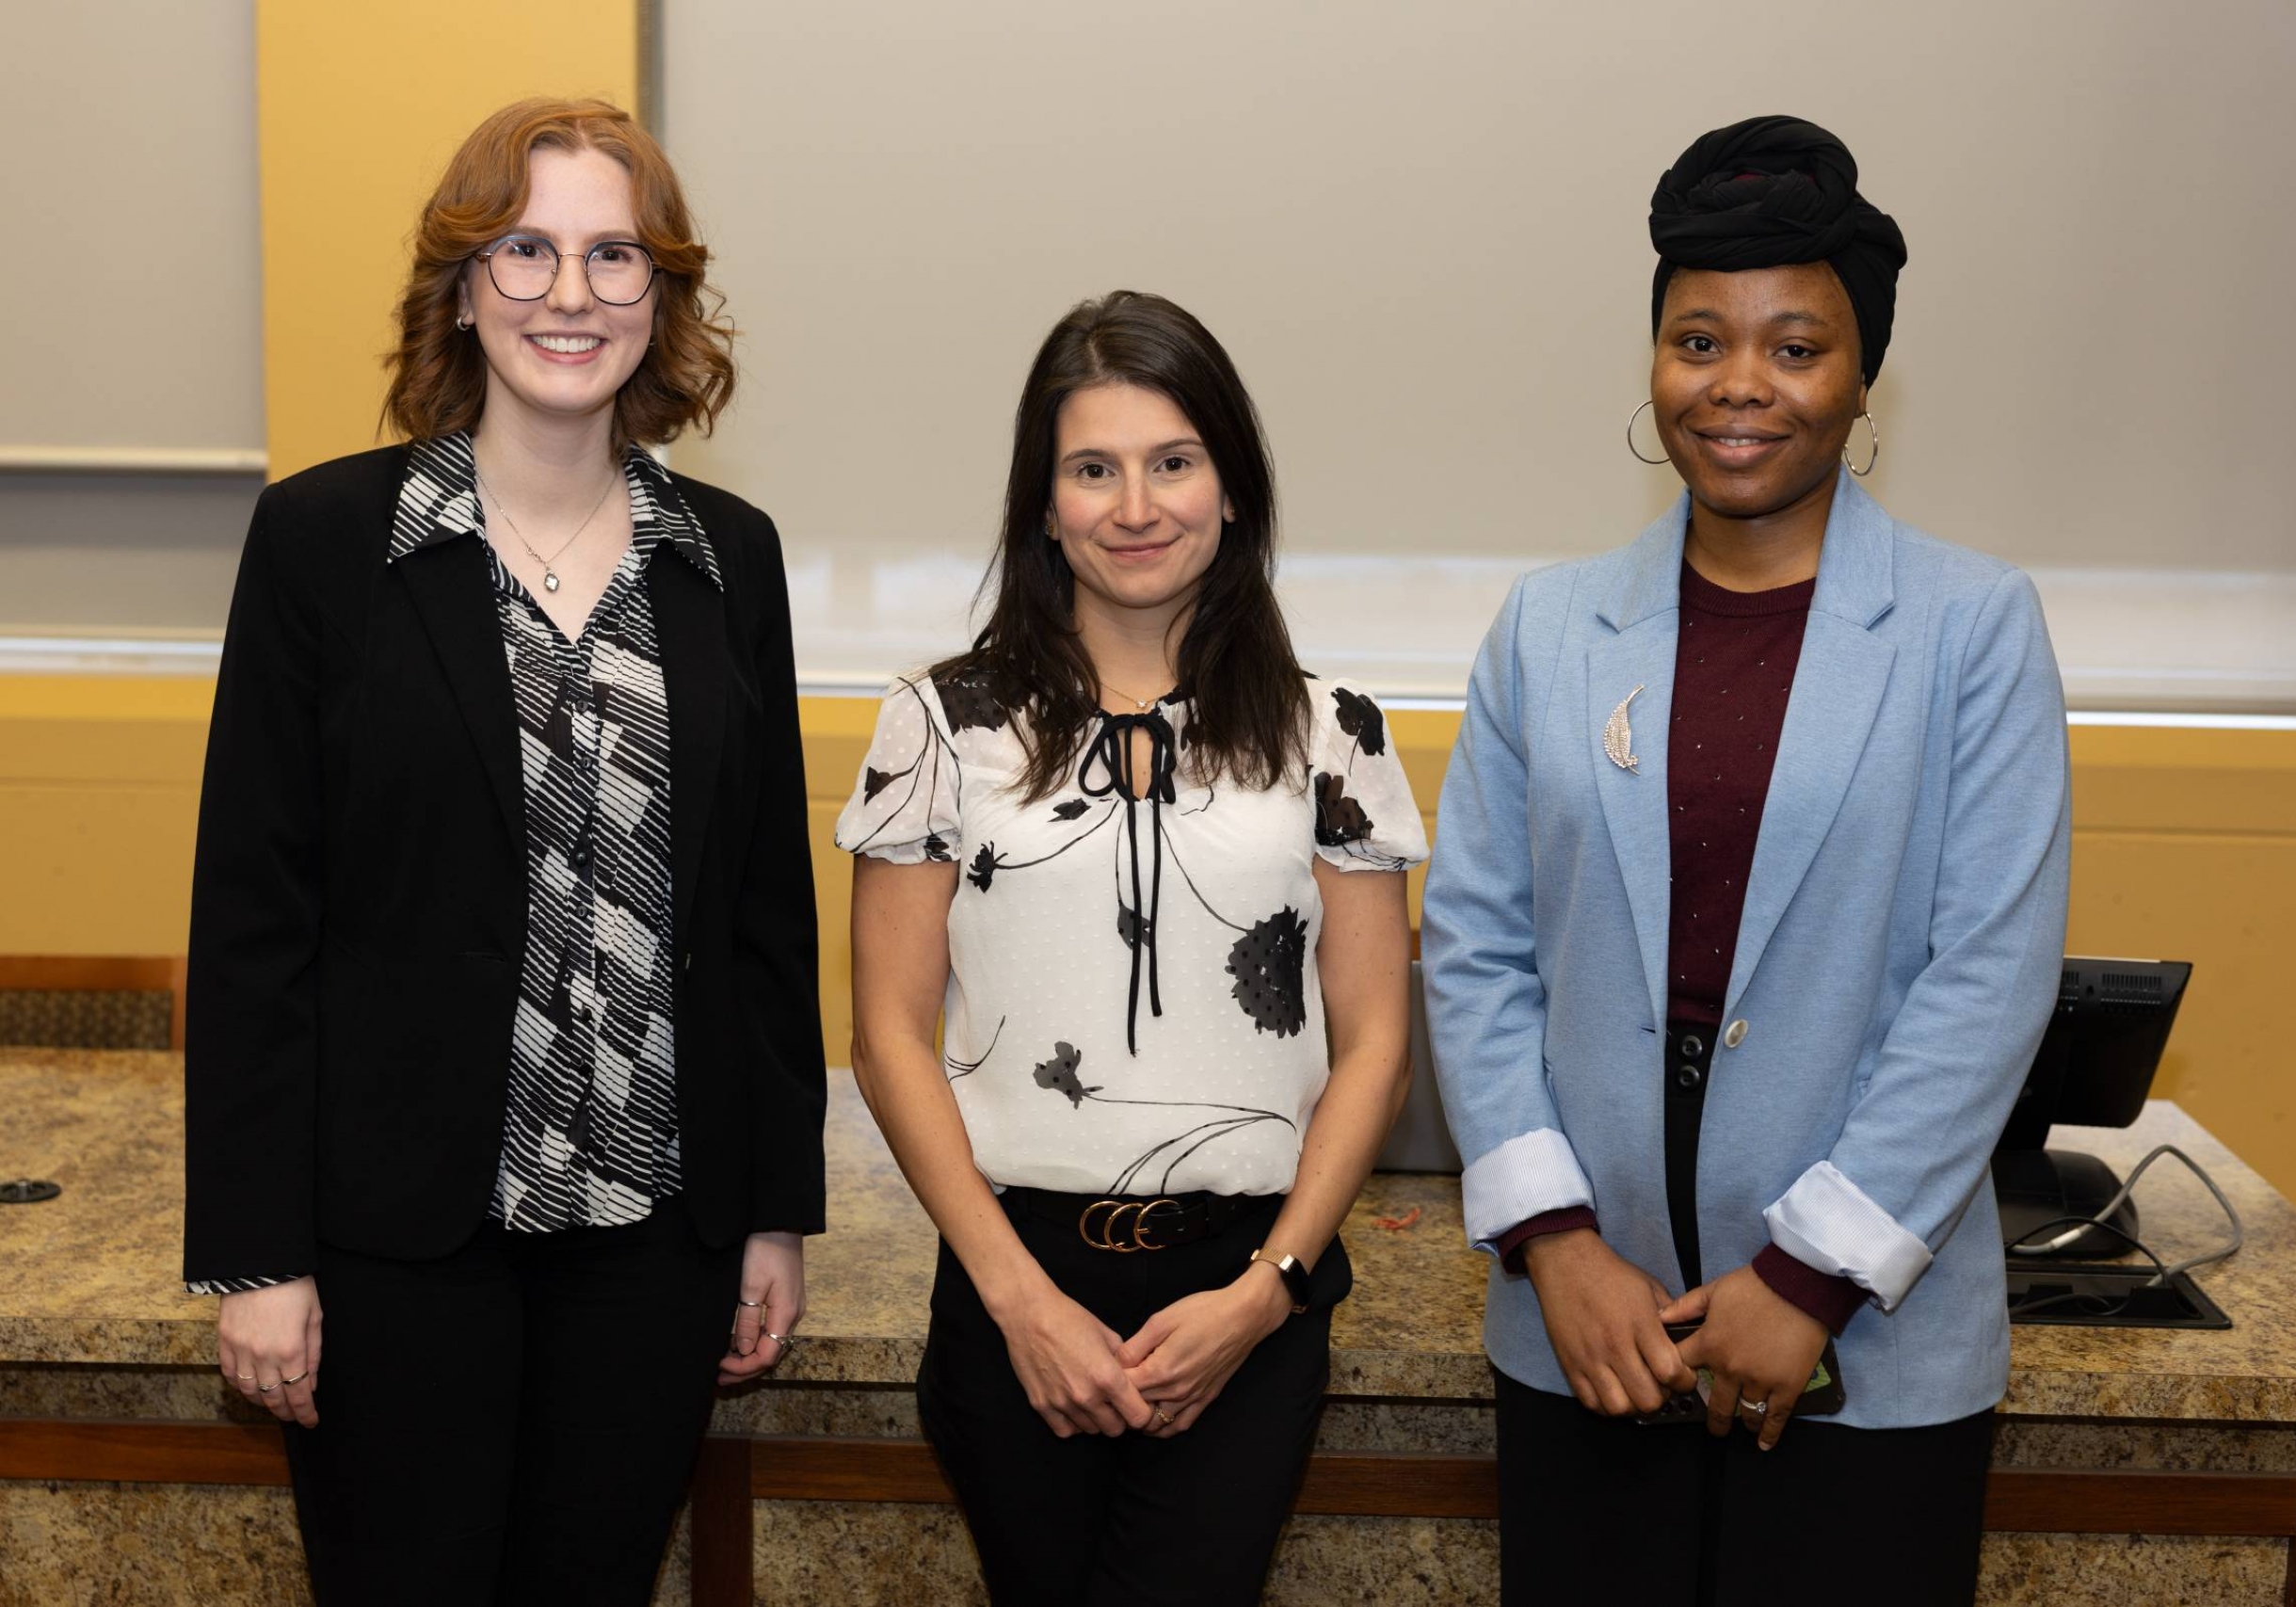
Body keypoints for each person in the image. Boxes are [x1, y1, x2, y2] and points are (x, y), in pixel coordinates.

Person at [182, 97, 826, 1603]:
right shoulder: (324, 544)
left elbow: (761, 917)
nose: (568, 294)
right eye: (524, 249)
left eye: (614, 256)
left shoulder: (731, 557)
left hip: (653, 1238)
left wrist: (773, 1208)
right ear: (461, 284)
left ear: (660, 295)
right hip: (395, 1244)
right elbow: (253, 918)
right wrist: (256, 1255)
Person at [1421, 115, 2071, 1605]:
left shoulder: (1973, 630)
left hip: (1868, 1353)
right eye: (1699, 340)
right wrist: (1556, 1246)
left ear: (1859, 379)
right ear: (1653, 367)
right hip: (1594, 1337)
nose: (1740, 387)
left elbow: (1988, 977)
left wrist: (1807, 1280)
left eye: (1796, 347)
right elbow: (1475, 946)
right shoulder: (1547, 627)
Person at [840, 289, 1423, 1606]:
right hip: (1012, 1292)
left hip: (1249, 1294)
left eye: (1174, 461)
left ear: (1232, 488)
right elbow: (886, 1032)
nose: (1136, 504)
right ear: (1043, 505)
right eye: (1092, 469)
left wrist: (1267, 1296)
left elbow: (1377, 1047)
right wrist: (1020, 1303)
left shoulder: (1335, 733)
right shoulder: (938, 725)